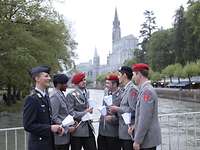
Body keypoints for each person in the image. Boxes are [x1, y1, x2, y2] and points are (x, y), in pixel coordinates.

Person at [23, 65, 64, 150]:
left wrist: (57, 128)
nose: (49, 78)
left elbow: (46, 120)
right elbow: (28, 125)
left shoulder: (46, 97)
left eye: (49, 76)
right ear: (37, 79)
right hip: (38, 145)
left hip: (49, 143)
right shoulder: (32, 98)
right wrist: (50, 128)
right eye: (46, 76)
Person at [132, 63, 161, 150]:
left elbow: (145, 118)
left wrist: (137, 140)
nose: (133, 77)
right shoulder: (145, 89)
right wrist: (134, 127)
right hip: (147, 138)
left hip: (147, 140)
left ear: (139, 75)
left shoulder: (146, 91)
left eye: (134, 74)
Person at [109, 66, 138, 150]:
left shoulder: (132, 90)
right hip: (123, 132)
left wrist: (117, 109)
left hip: (129, 132)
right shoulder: (125, 89)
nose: (118, 77)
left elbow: (134, 110)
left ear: (124, 75)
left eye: (119, 75)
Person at [66, 72, 97, 150]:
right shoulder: (71, 95)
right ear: (76, 82)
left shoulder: (87, 92)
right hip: (77, 129)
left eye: (85, 80)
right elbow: (70, 113)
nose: (84, 82)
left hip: (88, 127)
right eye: (81, 80)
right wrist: (85, 112)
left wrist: (90, 111)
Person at [50, 74, 76, 150]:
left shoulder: (60, 94)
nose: (67, 85)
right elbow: (54, 118)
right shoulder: (54, 96)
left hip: (65, 137)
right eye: (65, 83)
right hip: (59, 138)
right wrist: (67, 128)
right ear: (59, 84)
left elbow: (64, 114)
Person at [97, 73, 121, 150]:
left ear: (114, 84)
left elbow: (124, 114)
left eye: (108, 83)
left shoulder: (121, 95)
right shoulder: (106, 92)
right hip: (102, 131)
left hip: (113, 133)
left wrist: (112, 119)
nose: (106, 85)